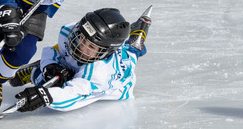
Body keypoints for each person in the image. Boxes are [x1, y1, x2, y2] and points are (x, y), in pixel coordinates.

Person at [10, 6, 152, 112]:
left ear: (106, 51)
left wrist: (45, 96)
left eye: (90, 46)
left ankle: (138, 32)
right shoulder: (70, 30)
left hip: (116, 87)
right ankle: (47, 68)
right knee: (55, 68)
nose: (81, 47)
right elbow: (54, 50)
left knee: (133, 49)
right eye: (81, 38)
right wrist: (50, 65)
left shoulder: (99, 74)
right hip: (85, 65)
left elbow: (70, 97)